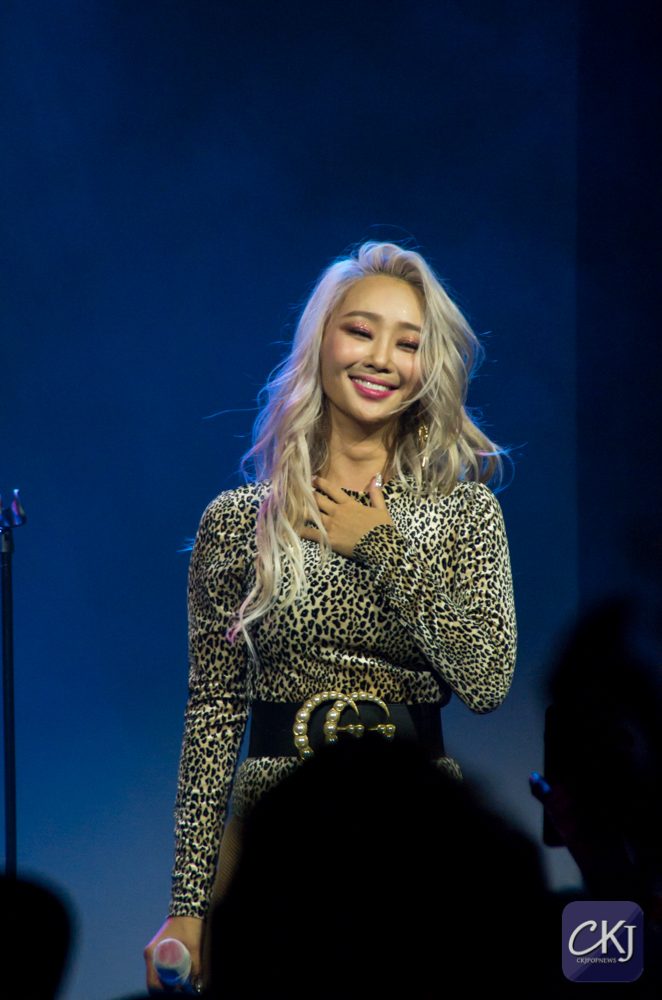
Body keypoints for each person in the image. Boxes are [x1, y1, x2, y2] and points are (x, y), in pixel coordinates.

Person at [144, 241, 517, 991]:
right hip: (275, 828)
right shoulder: (240, 520)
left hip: (414, 826)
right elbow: (214, 713)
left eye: (408, 342)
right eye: (360, 331)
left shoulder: (464, 512)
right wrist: (187, 906)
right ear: (321, 341)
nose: (382, 358)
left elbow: (487, 681)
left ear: (428, 365)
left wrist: (380, 547)